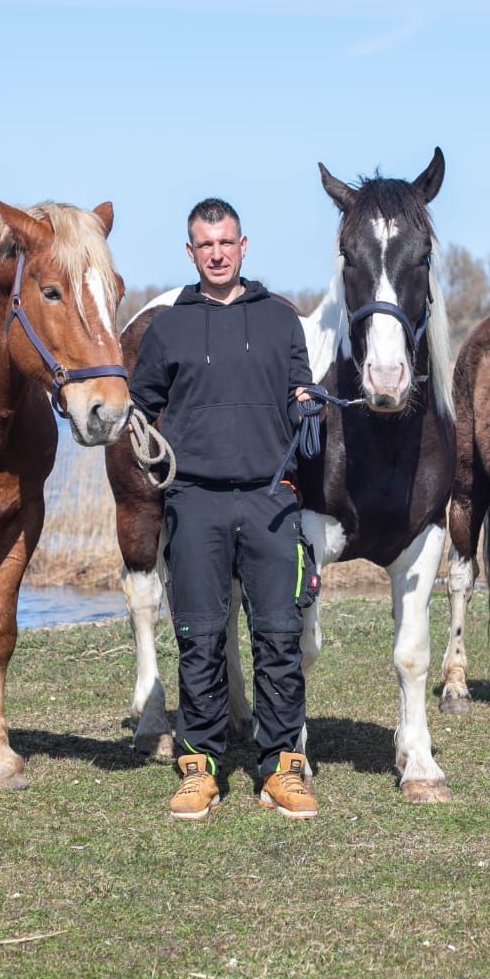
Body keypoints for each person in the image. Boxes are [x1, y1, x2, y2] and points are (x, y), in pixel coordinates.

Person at [129, 198, 317, 821]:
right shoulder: (168, 327)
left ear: (243, 246)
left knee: (279, 636)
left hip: (271, 499)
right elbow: (139, 406)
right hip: (196, 501)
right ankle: (199, 767)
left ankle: (281, 766)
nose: (217, 253)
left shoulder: (280, 318)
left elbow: (300, 392)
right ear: (191, 252)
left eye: (226, 242)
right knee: (200, 639)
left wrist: (308, 403)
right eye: (205, 244)